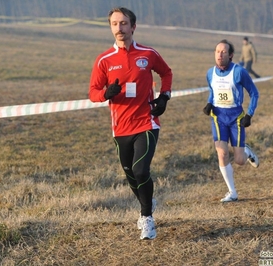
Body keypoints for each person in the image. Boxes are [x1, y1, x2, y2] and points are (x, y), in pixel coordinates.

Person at [88, 7, 172, 240]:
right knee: (131, 175)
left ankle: (146, 218)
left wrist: (164, 96)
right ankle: (148, 201)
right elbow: (93, 92)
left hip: (147, 122)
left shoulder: (148, 53)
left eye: (124, 23)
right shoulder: (104, 60)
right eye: (115, 24)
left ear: (133, 27)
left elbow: (166, 73)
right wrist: (106, 94)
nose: (119, 28)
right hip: (120, 128)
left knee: (140, 169)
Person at [203, 39, 260, 202]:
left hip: (236, 117)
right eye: (217, 51)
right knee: (222, 153)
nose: (220, 55)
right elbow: (213, 91)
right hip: (218, 117)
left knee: (240, 161)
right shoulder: (210, 73)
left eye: (223, 52)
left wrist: (249, 114)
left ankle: (246, 151)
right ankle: (232, 192)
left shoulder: (239, 72)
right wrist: (209, 103)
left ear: (231, 55)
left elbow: (254, 93)